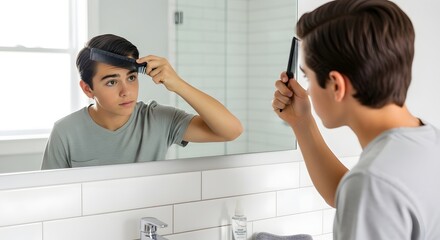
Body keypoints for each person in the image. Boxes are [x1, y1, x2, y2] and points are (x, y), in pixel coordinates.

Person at [272, 0, 440, 239]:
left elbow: (367, 191)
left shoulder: (371, 183)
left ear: (337, 85)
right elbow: (353, 195)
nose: (306, 88)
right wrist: (302, 122)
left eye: (307, 77)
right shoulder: (429, 143)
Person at [42, 34, 243, 169]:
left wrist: (178, 84)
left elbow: (231, 130)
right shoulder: (65, 132)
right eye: (112, 82)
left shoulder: (157, 119)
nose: (126, 91)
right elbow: (50, 197)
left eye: (131, 78)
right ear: (87, 89)